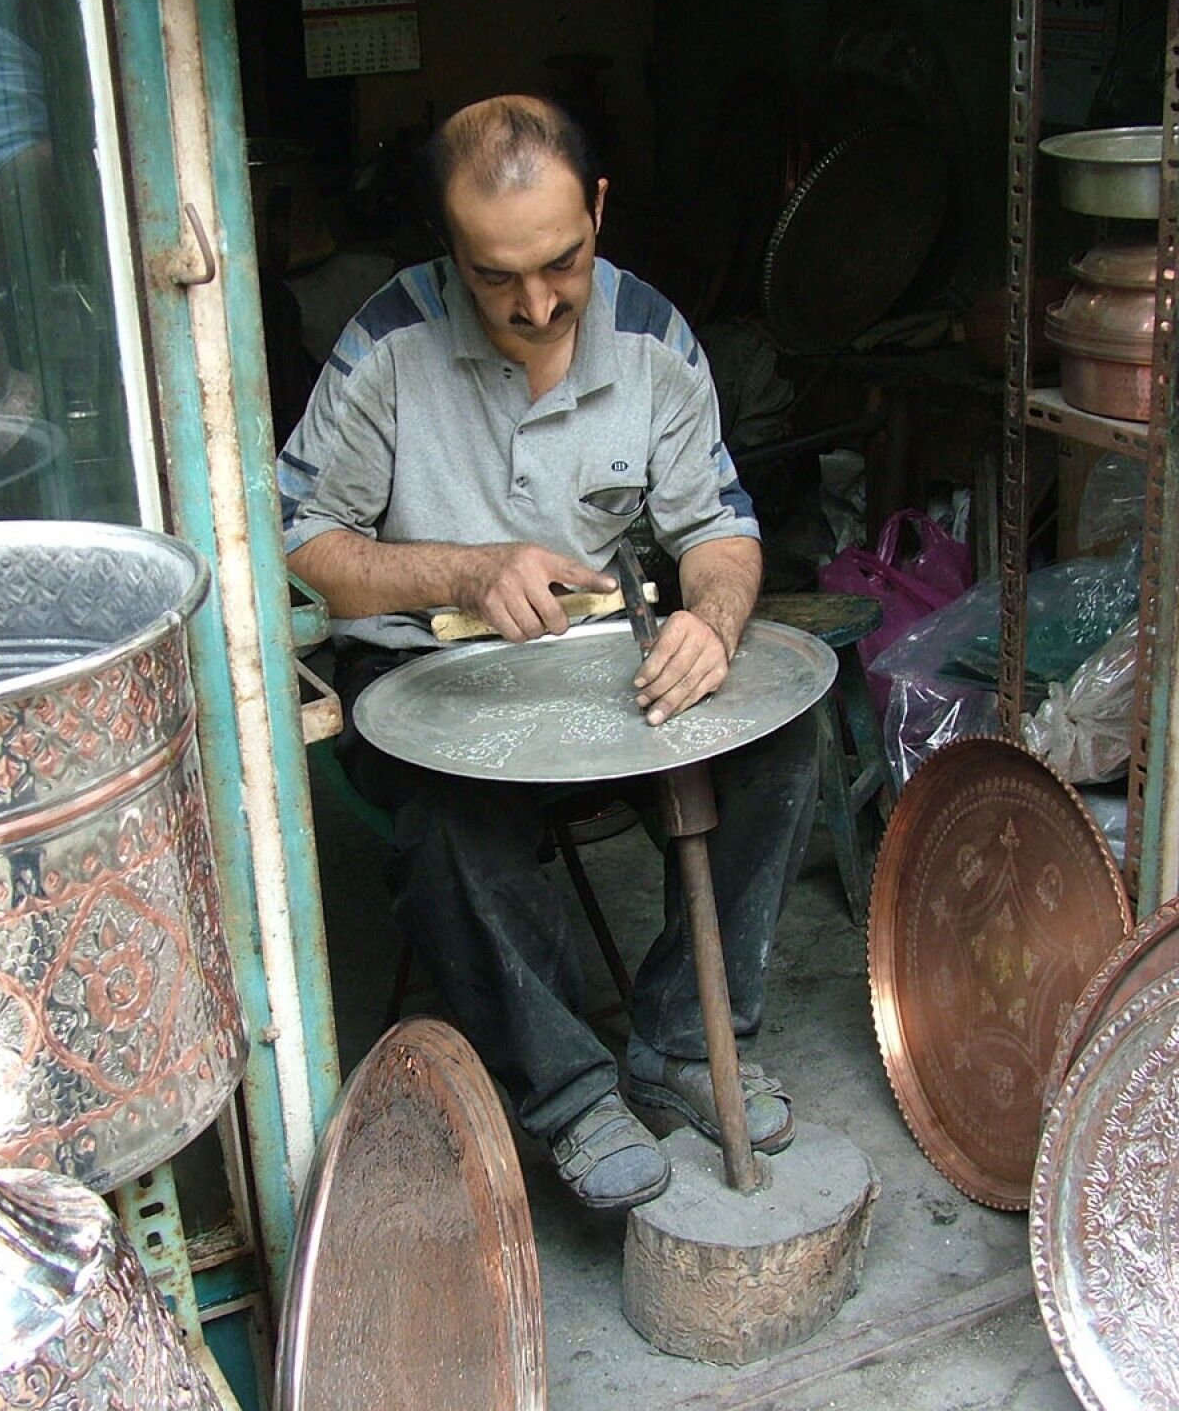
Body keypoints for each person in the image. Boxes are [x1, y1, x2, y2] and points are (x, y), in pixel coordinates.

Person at [278, 95, 817, 1211]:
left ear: (599, 211)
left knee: (780, 745)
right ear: (447, 246)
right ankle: (569, 1096)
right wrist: (463, 571)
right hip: (421, 672)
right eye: (493, 276)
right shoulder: (388, 345)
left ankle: (678, 1042)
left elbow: (718, 528)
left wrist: (708, 627)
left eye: (563, 264)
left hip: (592, 661)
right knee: (450, 819)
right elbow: (298, 547)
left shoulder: (655, 339)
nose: (534, 304)